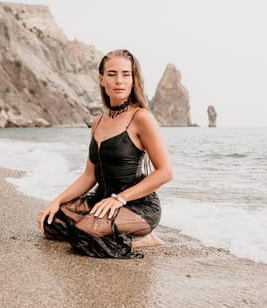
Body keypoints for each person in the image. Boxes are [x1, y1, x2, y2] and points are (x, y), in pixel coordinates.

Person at [37, 49, 173, 259]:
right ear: (101, 79)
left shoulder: (141, 117)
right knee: (51, 223)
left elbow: (165, 172)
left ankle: (142, 238)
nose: (119, 80)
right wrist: (56, 201)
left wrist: (120, 198)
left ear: (133, 79)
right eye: (112, 74)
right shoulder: (98, 122)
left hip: (137, 206)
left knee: (82, 233)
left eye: (126, 74)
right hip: (102, 199)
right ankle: (113, 231)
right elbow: (89, 176)